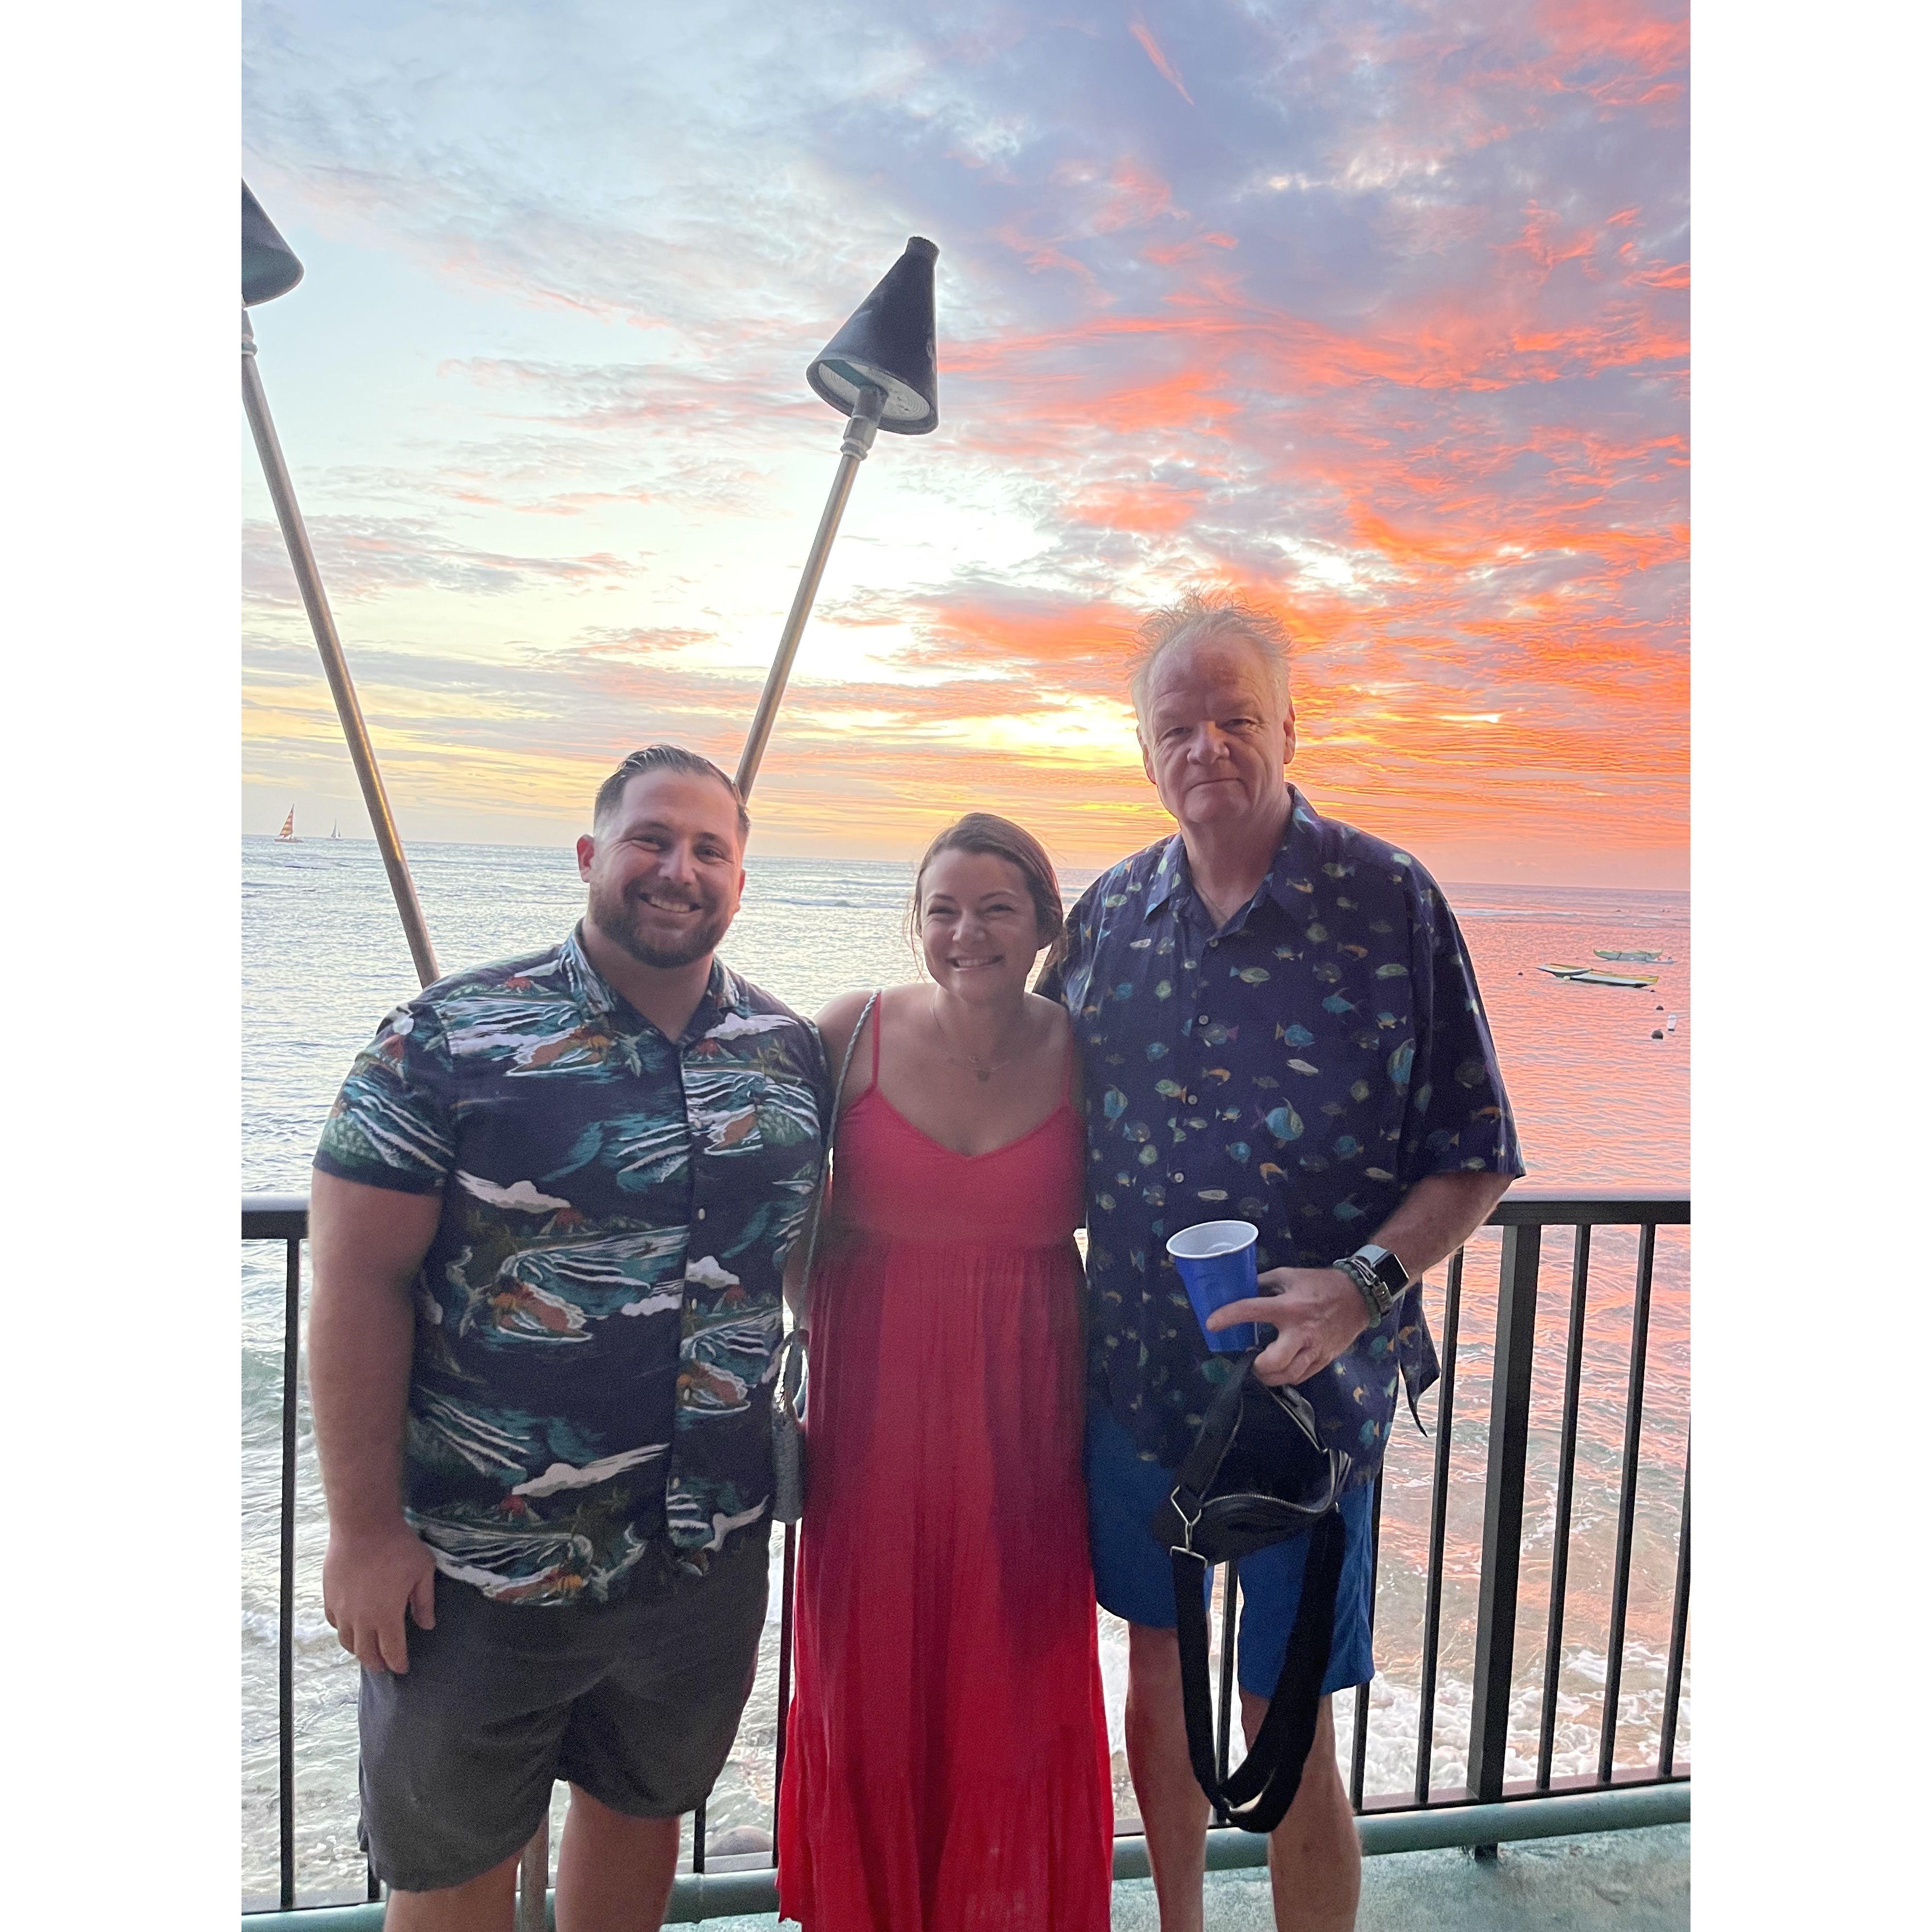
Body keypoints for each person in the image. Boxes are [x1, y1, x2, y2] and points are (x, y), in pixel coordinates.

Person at [1037, 592, 1523, 1932]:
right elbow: (1012, 1088)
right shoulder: (1109, 916)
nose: (1207, 746)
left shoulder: (1387, 899)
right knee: (1156, 1679)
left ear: (1291, 729)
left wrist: (1367, 1285)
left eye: (1236, 717)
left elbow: (1477, 1151)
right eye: (1177, 725)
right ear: (1145, 752)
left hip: (1317, 1401)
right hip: (1141, 1385)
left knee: (1284, 1711)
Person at [306, 745, 829, 1932]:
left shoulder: (788, 1051)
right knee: (451, 1864)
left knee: (642, 1817)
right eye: (651, 838)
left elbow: (816, 1259)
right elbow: (356, 1284)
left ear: (740, 883)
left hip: (702, 1557)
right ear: (592, 855)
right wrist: (364, 1534)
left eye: (709, 849)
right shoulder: (446, 1039)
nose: (678, 869)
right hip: (478, 1569)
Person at [775, 813, 1114, 1932]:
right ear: (916, 924)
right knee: (868, 1668)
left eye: (996, 909)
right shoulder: (848, 1034)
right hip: (872, 1407)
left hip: (1025, 1407)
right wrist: (821, 1323)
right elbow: (765, 1196)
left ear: (1045, 924)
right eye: (943, 910)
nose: (968, 933)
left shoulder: (1088, 1051)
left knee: (1012, 1668)